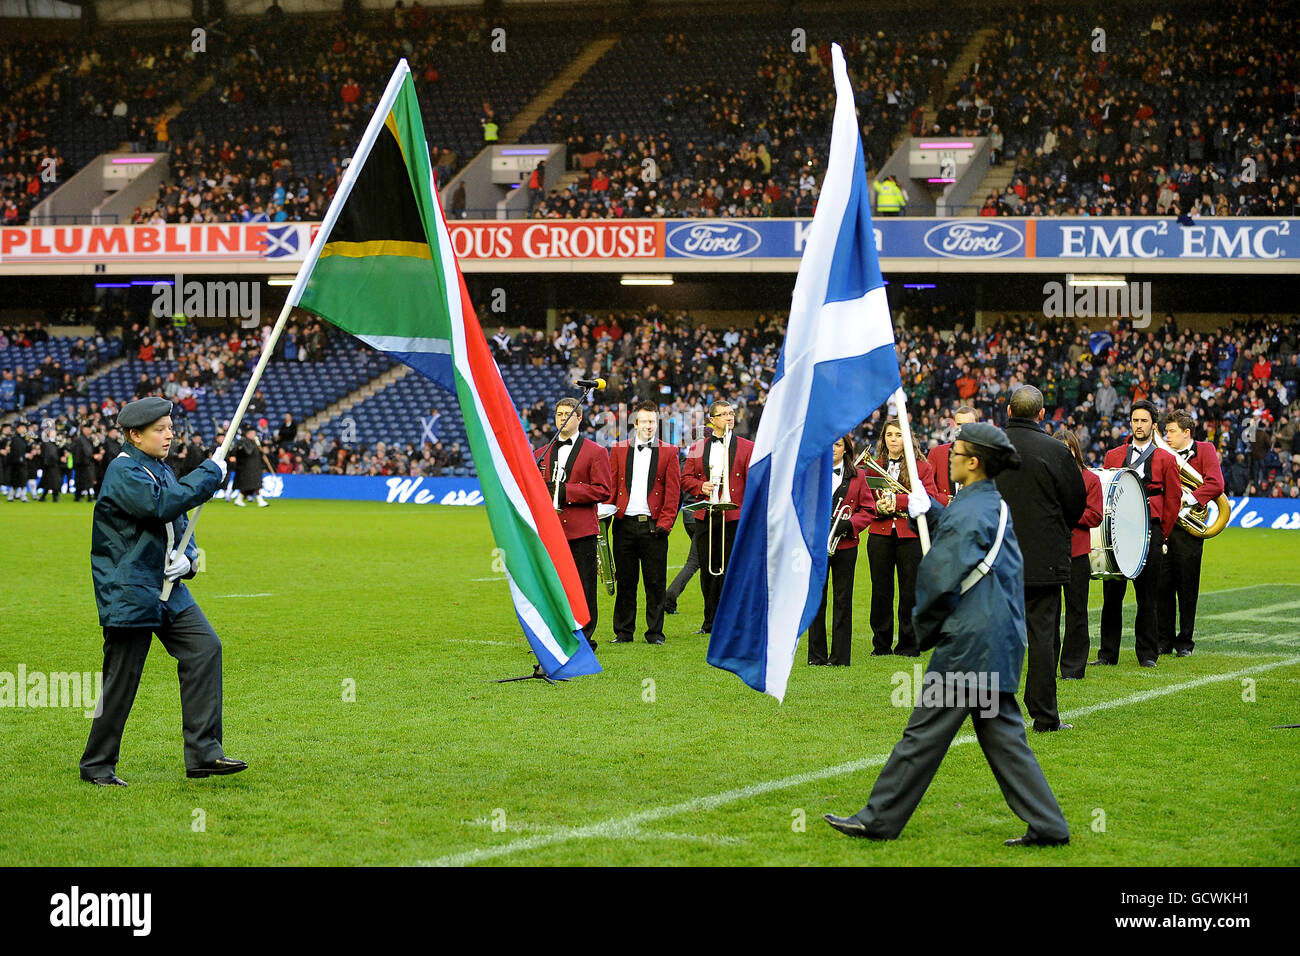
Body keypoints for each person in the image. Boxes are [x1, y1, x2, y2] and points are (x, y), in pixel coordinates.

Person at [824, 423, 1070, 846]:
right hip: (997, 640)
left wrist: (925, 631)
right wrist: (929, 511)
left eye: (955, 453)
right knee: (1004, 736)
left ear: (973, 462)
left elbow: (938, 575)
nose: (948, 457)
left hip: (969, 645)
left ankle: (879, 818)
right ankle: (1049, 825)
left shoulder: (973, 509)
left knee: (922, 736)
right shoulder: (987, 502)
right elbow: (962, 534)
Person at [81, 397, 246, 786]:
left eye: (170, 427)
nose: (170, 434)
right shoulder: (124, 472)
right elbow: (160, 506)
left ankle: (205, 753)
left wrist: (188, 559)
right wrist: (210, 474)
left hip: (166, 587)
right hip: (131, 589)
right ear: (135, 435)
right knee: (122, 679)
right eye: (160, 429)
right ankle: (97, 766)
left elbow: (179, 520)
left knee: (205, 648)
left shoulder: (161, 469)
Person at [996, 386, 1085, 732]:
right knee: (1042, 638)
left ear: (1007, 410)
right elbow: (1076, 503)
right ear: (1042, 414)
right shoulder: (1055, 450)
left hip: (997, 558)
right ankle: (1045, 715)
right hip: (1043, 559)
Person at [1095, 400, 1182, 667]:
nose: (1139, 425)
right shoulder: (1112, 455)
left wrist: (1160, 533)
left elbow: (1174, 499)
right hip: (1117, 530)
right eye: (1135, 420)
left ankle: (1147, 654)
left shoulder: (1167, 458)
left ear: (1153, 425)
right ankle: (1108, 655)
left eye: (1144, 421)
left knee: (1147, 596)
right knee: (1112, 595)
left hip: (1149, 532)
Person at [535, 398, 612, 649]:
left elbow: (603, 490)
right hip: (550, 531)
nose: (562, 418)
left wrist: (565, 491)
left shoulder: (596, 451)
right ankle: (556, 634)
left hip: (581, 531)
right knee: (552, 585)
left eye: (568, 414)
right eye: (559, 414)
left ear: (579, 418)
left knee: (584, 587)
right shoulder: (541, 453)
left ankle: (585, 637)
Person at [606, 401, 679, 645]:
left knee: (655, 582)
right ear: (635, 423)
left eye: (652, 421)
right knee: (626, 581)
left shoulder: (669, 452)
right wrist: (604, 520)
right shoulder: (617, 449)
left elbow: (673, 494)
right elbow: (612, 488)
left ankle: (654, 633)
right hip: (623, 525)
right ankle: (624, 632)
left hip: (654, 528)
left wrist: (665, 525)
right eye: (644, 421)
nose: (649, 426)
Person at [865, 419, 940, 656]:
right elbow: (864, 499)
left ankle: (909, 644)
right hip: (880, 534)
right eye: (889, 435)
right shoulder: (873, 466)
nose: (893, 439)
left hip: (910, 536)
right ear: (883, 439)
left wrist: (897, 502)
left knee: (910, 592)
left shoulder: (922, 468)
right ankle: (881, 645)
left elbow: (929, 498)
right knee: (880, 591)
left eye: (898, 435)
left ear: (907, 439)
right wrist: (878, 506)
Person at [680, 400, 754, 635]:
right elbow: (685, 479)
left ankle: (733, 621)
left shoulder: (748, 446)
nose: (730, 417)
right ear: (712, 420)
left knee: (734, 570)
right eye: (724, 414)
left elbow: (755, 482)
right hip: (708, 515)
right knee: (708, 571)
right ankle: (710, 621)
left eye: (731, 413)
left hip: (735, 516)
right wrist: (701, 486)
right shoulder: (699, 447)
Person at [1157, 409, 1225, 657]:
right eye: (1165, 431)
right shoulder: (1163, 452)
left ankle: (1185, 642)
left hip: (1189, 531)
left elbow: (1216, 483)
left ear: (1187, 433)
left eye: (1172, 432)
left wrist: (1190, 498)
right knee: (1162, 587)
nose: (1167, 436)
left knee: (1187, 588)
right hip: (1165, 528)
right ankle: (1162, 640)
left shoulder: (1206, 450)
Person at [808, 434, 872, 666]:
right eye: (829, 444)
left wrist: (850, 524)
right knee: (817, 600)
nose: (832, 448)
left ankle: (840, 657)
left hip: (845, 546)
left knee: (843, 600)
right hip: (816, 547)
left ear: (845, 448)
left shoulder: (858, 476)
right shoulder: (811, 473)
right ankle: (816, 656)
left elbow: (868, 509)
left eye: (837, 444)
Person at [1053, 429, 1103, 679]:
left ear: (1075, 450)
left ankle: (1072, 668)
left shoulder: (1090, 479)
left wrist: (1067, 512)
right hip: (1049, 552)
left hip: (1077, 554)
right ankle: (1047, 664)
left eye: (1067, 448)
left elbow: (1095, 515)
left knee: (1077, 612)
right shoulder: (1046, 476)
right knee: (1048, 613)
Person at [928, 405, 979, 505]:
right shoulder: (937, 453)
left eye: (968, 424)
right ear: (954, 425)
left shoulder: (987, 454)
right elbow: (928, 488)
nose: (963, 428)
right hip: (945, 515)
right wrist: (945, 501)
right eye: (959, 424)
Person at [232, 426, 273, 507]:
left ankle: (239, 499)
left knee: (251, 486)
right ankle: (260, 501)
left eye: (255, 433)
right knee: (255, 485)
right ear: (247, 434)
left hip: (256, 467)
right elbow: (247, 452)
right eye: (252, 433)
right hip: (247, 468)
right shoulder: (243, 441)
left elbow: (260, 455)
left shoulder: (255, 442)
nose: (254, 435)